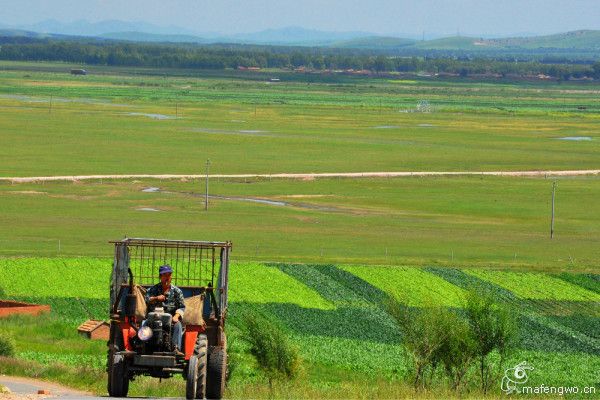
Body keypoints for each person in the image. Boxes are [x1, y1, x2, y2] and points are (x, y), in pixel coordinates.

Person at [145, 264, 186, 355]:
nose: (167, 278)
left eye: (169, 275)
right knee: (144, 323)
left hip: (170, 319)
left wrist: (176, 316)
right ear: (160, 277)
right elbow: (147, 299)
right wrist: (156, 298)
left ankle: (176, 348)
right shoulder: (153, 289)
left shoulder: (177, 291)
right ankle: (142, 345)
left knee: (178, 325)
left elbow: (182, 306)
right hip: (154, 318)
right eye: (165, 275)